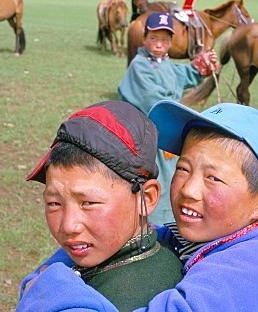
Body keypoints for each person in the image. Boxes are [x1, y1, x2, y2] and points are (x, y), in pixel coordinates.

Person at [17, 100, 258, 311]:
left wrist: (45, 288)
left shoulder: (244, 274)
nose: (189, 189)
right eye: (183, 169)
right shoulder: (205, 238)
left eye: (213, 178)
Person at [22, 100, 184, 311]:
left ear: (147, 198)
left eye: (88, 203)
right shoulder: (152, 252)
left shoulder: (127, 299)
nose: (69, 226)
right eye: (54, 203)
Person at [117, 11, 218, 225]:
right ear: (144, 39)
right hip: (149, 139)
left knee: (173, 179)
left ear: (171, 42)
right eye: (153, 38)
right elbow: (155, 103)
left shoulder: (165, 64)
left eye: (164, 39)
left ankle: (171, 223)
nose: (159, 44)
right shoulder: (139, 65)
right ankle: (153, 226)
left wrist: (202, 64)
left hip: (167, 137)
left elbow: (186, 74)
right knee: (156, 183)